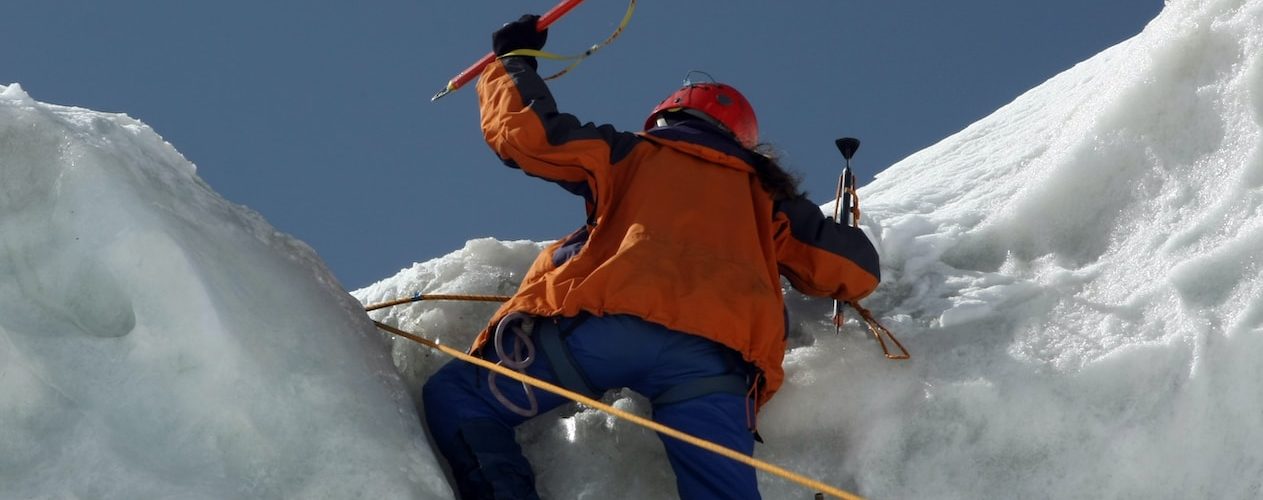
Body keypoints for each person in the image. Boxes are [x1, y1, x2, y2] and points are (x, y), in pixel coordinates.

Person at [422, 14, 881, 500]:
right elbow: (855, 272)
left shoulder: (630, 153)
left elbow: (527, 137)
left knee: (461, 396)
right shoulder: (769, 198)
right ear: (741, 139)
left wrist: (513, 62)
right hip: (713, 364)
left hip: (604, 331)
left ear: (666, 117)